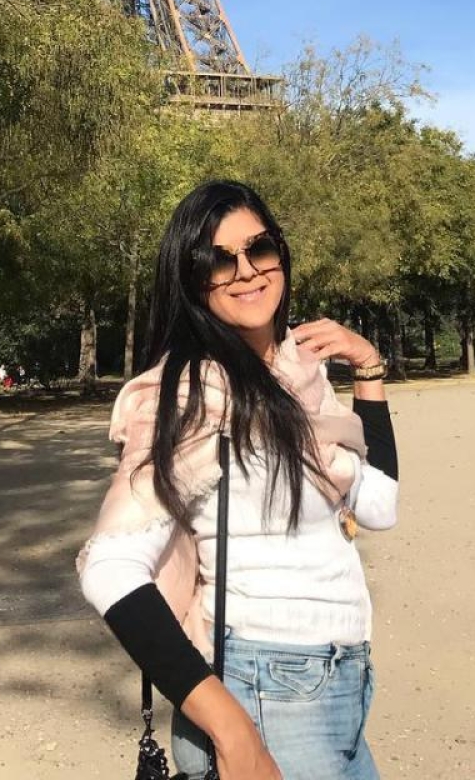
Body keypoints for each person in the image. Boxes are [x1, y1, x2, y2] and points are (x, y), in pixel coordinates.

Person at [77, 180, 399, 780]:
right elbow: (109, 566)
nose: (246, 272)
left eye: (260, 249)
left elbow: (379, 503)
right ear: (189, 279)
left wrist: (369, 366)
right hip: (264, 693)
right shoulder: (193, 397)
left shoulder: (299, 378)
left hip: (341, 684)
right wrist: (232, 730)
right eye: (217, 260)